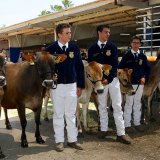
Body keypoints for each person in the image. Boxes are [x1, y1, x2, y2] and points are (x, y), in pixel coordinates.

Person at [87, 24, 132, 144]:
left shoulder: (112, 46)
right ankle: (103, 130)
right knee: (102, 106)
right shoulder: (92, 49)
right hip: (99, 82)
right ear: (99, 33)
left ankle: (121, 133)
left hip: (112, 81)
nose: (108, 34)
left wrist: (108, 78)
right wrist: (100, 80)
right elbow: (92, 66)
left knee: (117, 106)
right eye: (106, 32)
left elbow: (114, 65)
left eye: (109, 32)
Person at [46, 23, 85, 152]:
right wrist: (51, 76)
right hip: (57, 86)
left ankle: (72, 140)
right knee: (58, 113)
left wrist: (80, 85)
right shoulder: (50, 49)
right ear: (59, 34)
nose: (70, 35)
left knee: (71, 113)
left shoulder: (74, 48)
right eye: (67, 33)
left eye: (70, 32)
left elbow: (79, 67)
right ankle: (59, 141)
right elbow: (45, 68)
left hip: (72, 85)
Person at [118, 36, 150, 133]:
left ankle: (137, 123)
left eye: (137, 43)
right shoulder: (126, 56)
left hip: (140, 83)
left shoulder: (142, 56)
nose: (136, 45)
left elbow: (147, 69)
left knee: (137, 103)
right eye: (134, 43)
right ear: (131, 44)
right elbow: (120, 68)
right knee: (129, 103)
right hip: (130, 84)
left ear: (140, 44)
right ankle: (127, 125)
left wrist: (144, 77)